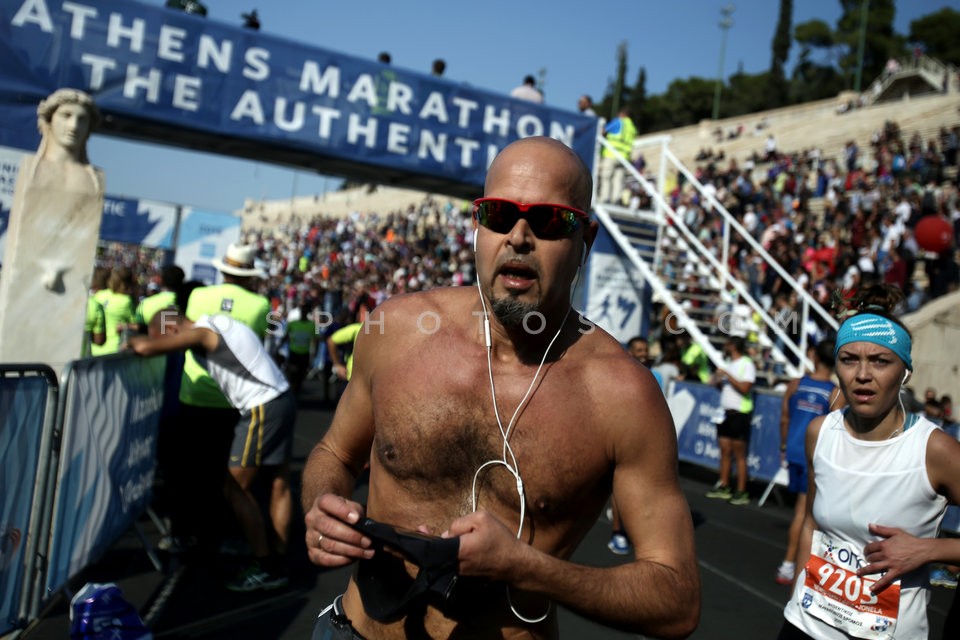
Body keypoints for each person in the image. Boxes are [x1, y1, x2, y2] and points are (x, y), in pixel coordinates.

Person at [302, 136, 699, 639]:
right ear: (478, 226)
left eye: (549, 221)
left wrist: (527, 567)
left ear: (587, 239)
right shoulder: (396, 331)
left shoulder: (623, 394)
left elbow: (678, 600)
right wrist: (323, 506)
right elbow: (334, 453)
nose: (518, 236)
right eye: (498, 214)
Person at [780, 284, 960, 640]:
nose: (863, 374)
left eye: (880, 361)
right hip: (805, 626)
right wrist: (796, 605)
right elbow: (811, 524)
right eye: (850, 359)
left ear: (905, 371)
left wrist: (930, 550)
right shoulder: (820, 432)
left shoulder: (934, 450)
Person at [128, 308, 295, 592]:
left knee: (235, 488)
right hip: (281, 397)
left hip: (261, 407)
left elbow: (145, 347)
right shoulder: (218, 321)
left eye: (165, 339)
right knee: (278, 484)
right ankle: (277, 560)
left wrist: (130, 339)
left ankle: (266, 566)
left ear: (170, 329)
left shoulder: (203, 333)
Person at [175, 244, 272, 555]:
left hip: (195, 391)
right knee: (228, 475)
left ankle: (186, 532)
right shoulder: (259, 304)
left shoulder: (199, 296)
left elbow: (187, 337)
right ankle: (219, 534)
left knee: (190, 468)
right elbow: (257, 347)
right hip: (234, 398)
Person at [775, 340, 841, 586]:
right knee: (806, 514)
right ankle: (790, 564)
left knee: (802, 511)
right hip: (814, 456)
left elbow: (784, 417)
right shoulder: (835, 393)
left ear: (814, 357)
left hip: (794, 450)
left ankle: (792, 564)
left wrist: (784, 446)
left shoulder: (796, 384)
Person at [705, 336, 756, 506]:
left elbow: (745, 388)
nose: (724, 347)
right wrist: (717, 380)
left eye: (726, 344)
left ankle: (741, 490)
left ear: (733, 346)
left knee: (739, 454)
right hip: (725, 413)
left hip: (740, 412)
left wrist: (727, 375)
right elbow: (717, 385)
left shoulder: (746, 363)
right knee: (724, 450)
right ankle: (724, 485)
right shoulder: (729, 365)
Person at [90, 266, 136, 356]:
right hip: (115, 348)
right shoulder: (126, 301)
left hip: (95, 347)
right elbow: (135, 324)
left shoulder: (100, 295)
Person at [598, 107, 637, 205]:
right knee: (618, 179)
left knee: (606, 177)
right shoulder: (632, 127)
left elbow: (603, 132)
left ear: (622, 114)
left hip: (611, 154)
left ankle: (605, 198)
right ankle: (616, 199)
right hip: (624, 157)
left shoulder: (618, 122)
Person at [134, 264, 185, 332]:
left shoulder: (145, 303)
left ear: (161, 280)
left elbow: (137, 326)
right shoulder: (187, 303)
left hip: (150, 340)